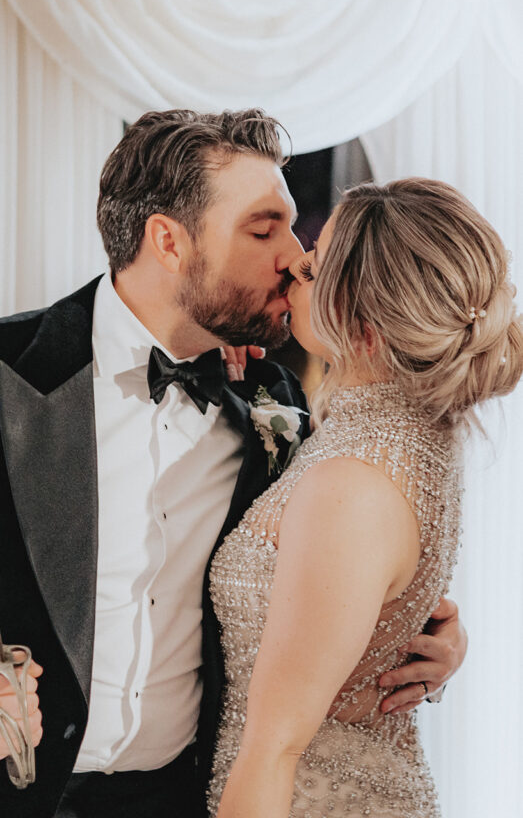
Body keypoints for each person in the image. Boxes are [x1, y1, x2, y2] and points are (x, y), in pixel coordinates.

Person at [0, 112, 466, 818]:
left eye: (291, 227)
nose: (295, 256)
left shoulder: (271, 398)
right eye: (262, 230)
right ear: (167, 240)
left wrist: (420, 633)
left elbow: (319, 573)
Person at [208, 178, 523, 818]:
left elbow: (274, 748)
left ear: (367, 326)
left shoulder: (352, 480)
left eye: (316, 265)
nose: (295, 264)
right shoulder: (412, 432)